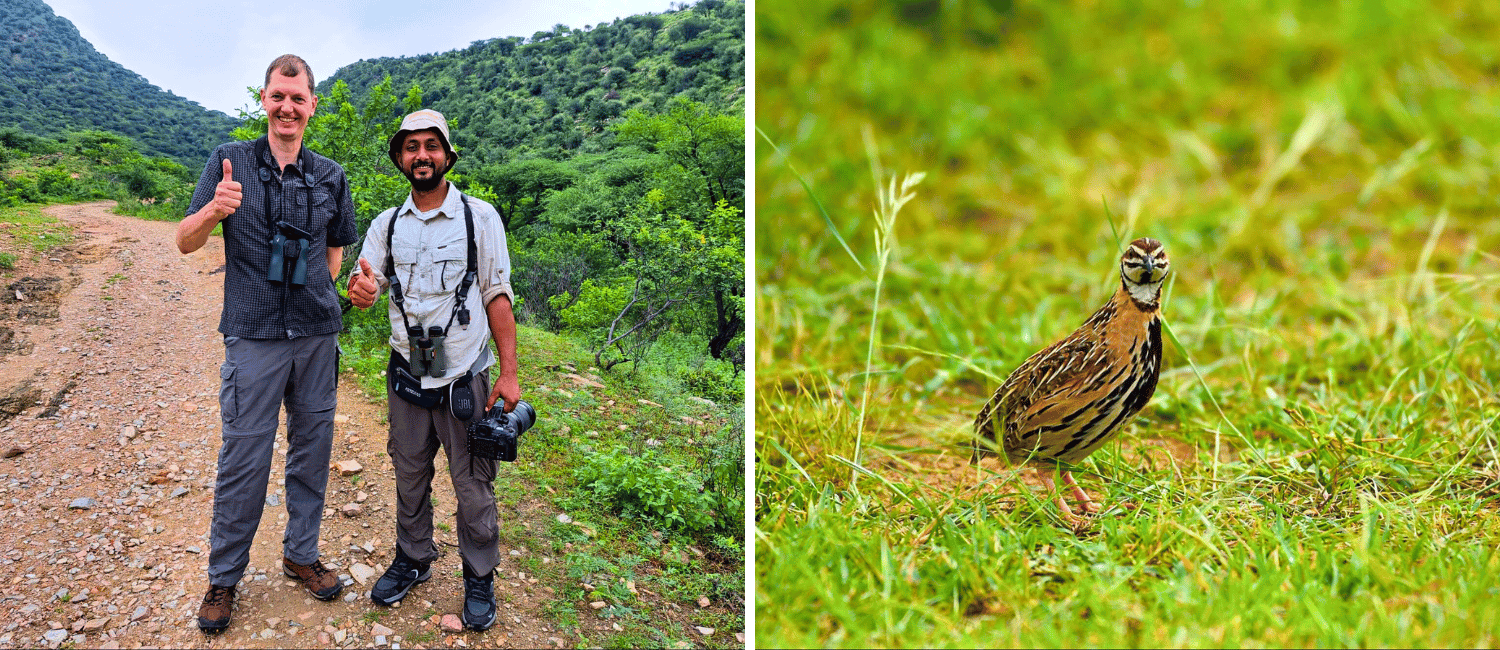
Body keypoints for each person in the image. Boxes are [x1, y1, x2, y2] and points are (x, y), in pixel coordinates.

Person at [176, 54, 358, 634]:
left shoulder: (330, 174)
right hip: (252, 333)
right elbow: (184, 241)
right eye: (279, 96)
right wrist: (212, 210)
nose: (288, 107)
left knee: (312, 452)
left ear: (311, 105)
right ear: (264, 98)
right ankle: (224, 578)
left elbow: (337, 246)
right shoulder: (228, 161)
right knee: (244, 458)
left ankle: (300, 554)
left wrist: (324, 293)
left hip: (315, 336)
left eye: (298, 98)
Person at [346, 108, 520, 631]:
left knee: (472, 482)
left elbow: (497, 296)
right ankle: (414, 558)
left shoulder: (479, 218)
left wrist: (509, 376)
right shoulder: (387, 225)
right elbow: (366, 283)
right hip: (407, 371)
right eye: (411, 147)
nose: (421, 155)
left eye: (431, 146)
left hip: (464, 373)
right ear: (400, 158)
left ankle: (479, 575)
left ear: (447, 155)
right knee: (409, 471)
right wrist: (362, 292)